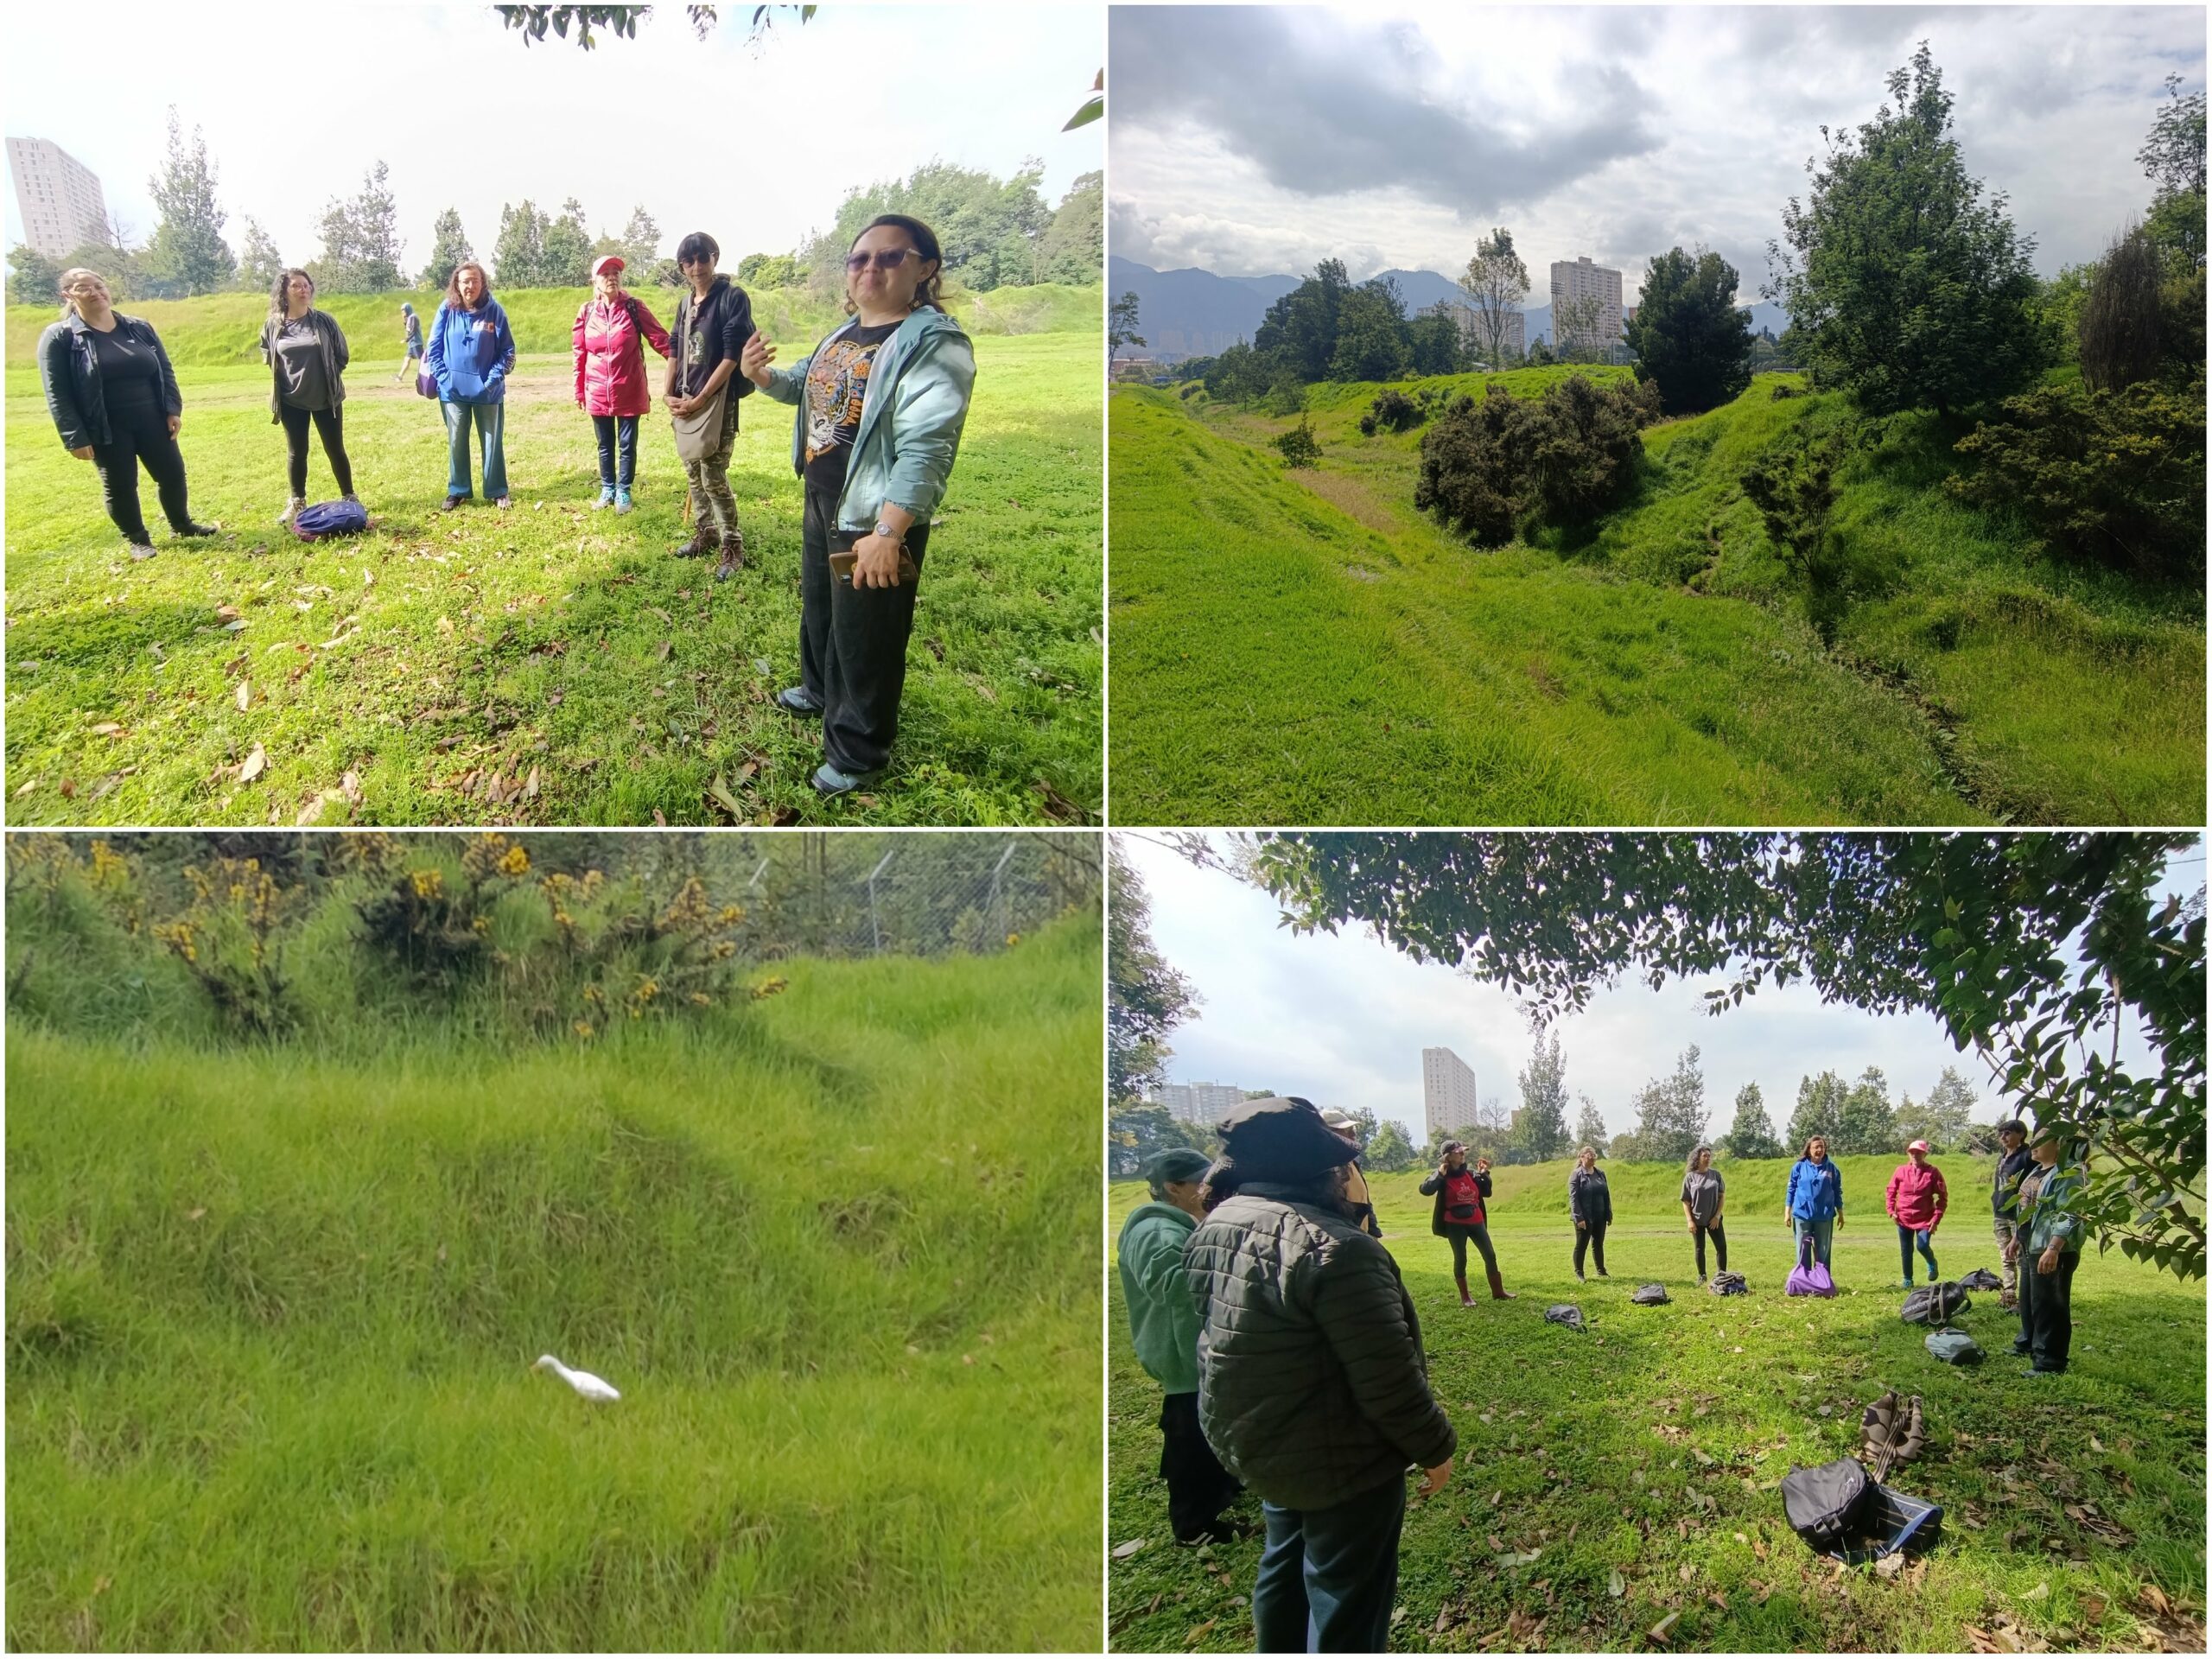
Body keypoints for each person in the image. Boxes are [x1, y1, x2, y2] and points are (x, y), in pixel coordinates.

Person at [1184, 1096, 1456, 1654]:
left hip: (1262, 1445)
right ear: (1326, 1171)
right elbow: (1387, 1377)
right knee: (1347, 1598)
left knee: (1283, 1567)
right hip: (1339, 1459)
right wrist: (1435, 1446)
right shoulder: (1339, 1250)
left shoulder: (1218, 1224)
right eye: (1346, 1166)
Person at [741, 213, 976, 797]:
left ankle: (858, 751)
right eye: (859, 259)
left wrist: (891, 533)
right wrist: (763, 376)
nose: (870, 268)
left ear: (924, 269)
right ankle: (820, 690)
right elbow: (804, 384)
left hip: (876, 515)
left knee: (867, 636)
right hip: (825, 495)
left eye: (890, 257)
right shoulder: (845, 332)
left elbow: (927, 448)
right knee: (822, 609)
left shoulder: (932, 344)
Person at [37, 268, 216, 558]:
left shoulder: (138, 327)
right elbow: (56, 392)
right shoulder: (60, 337)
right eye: (84, 288)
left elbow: (164, 370)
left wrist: (172, 409)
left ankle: (181, 525)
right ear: (68, 294)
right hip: (105, 425)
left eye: (99, 285)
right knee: (121, 485)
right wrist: (74, 436)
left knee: (172, 475)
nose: (95, 292)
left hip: (152, 418)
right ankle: (138, 539)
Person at [1117, 1147, 1243, 1545]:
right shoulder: (1156, 1231)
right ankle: (1193, 1524)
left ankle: (1224, 1491)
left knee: (1210, 1429)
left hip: (1200, 1349)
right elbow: (1171, 1286)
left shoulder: (1182, 1222)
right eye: (1201, 1180)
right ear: (1173, 1187)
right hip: (1181, 1353)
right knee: (1189, 1440)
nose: (1209, 1186)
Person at [664, 232, 756, 579]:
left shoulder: (732, 297)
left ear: (715, 257)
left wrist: (702, 398)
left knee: (713, 475)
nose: (697, 266)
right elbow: (675, 347)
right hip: (686, 398)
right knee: (692, 472)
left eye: (703, 258)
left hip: (717, 401)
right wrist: (667, 392)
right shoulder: (686, 304)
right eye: (689, 261)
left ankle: (732, 544)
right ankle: (706, 533)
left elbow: (733, 354)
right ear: (683, 267)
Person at [573, 254, 672, 515]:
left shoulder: (634, 307)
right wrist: (578, 388)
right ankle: (607, 488)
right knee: (604, 444)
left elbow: (661, 340)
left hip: (629, 387)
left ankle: (624, 490)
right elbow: (580, 353)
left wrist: (687, 363)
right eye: (605, 273)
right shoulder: (586, 312)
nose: (612, 277)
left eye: (616, 272)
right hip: (596, 390)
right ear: (594, 280)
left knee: (627, 444)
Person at [259, 269, 357, 525]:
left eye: (306, 285)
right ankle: (297, 502)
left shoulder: (324, 321)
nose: (304, 290)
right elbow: (268, 353)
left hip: (327, 398)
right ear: (284, 292)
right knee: (296, 452)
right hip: (291, 400)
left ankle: (350, 497)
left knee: (335, 448)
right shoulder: (274, 324)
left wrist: (328, 376)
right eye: (297, 286)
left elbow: (341, 354)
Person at [424, 260, 516, 510]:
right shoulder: (446, 309)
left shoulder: (494, 311)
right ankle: (459, 490)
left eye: (475, 280)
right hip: (452, 392)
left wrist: (491, 380)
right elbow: (433, 349)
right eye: (465, 281)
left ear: (482, 283)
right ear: (457, 284)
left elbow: (508, 351)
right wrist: (445, 378)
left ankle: (497, 490)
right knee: (456, 440)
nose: (470, 285)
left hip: (488, 392)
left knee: (491, 442)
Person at [2005, 1126, 2087, 1376]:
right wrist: (2017, 1237)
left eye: (2041, 1140)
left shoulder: (2069, 1173)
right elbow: (2027, 1207)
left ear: (2059, 1145)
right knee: (2031, 1298)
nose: (2034, 1144)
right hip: (2032, 1242)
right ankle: (2028, 1341)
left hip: (2053, 1247)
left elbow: (2070, 1212)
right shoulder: (2038, 1171)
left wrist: (2054, 1248)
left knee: (2050, 1303)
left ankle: (2050, 1362)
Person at [1419, 1142, 1512, 1304]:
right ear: (1448, 1156)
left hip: (1476, 1221)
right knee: (1461, 1258)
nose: (1462, 1154)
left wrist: (1485, 1173)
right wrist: (1439, 1174)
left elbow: (1487, 1192)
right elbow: (1425, 1189)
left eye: (1463, 1151)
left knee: (1490, 1255)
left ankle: (1498, 1291)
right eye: (1458, 1152)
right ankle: (1466, 1297)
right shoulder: (1443, 1175)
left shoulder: (1470, 1174)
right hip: (1454, 1224)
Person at [1885, 1139, 1949, 1288]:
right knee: (1906, 1250)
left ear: (1925, 1154)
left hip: (1925, 1218)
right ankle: (1908, 1279)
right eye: (1912, 1152)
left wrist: (1936, 1218)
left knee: (1922, 1245)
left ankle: (1932, 1262)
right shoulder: (1900, 1171)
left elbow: (1943, 1197)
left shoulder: (1933, 1172)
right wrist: (1890, 1210)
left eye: (1919, 1152)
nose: (1915, 1155)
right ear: (1908, 1153)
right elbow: (1891, 1191)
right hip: (1903, 1217)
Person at [1990, 1118, 2034, 1310]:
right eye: (2001, 1133)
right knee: (2005, 1254)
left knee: (2021, 1256)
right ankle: (2009, 1295)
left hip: (2019, 1213)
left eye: (2008, 1132)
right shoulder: (2002, 1158)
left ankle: (2027, 1297)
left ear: (2021, 1134)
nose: (2003, 1137)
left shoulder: (2027, 1156)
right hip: (2000, 1213)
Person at [1319, 1108, 1382, 1239]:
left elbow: (1364, 1201)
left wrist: (1373, 1230)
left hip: (1360, 1237)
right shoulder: (1323, 1167)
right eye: (1347, 1131)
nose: (1353, 1135)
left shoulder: (1352, 1162)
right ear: (1329, 1133)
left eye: (1353, 1130)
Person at [1785, 1135, 1846, 1270]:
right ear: (1809, 1149)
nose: (1820, 1150)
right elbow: (1791, 1189)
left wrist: (1841, 1213)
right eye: (1816, 1147)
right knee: (1802, 1250)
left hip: (1824, 1216)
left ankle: (1822, 1282)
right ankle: (1804, 1281)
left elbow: (1837, 1192)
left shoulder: (1832, 1169)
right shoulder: (1799, 1167)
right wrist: (1787, 1213)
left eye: (1822, 1147)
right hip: (1802, 1215)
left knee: (1823, 1252)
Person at [1681, 1143, 1726, 1282]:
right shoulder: (1690, 1177)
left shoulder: (1716, 1175)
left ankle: (1722, 1275)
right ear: (1698, 1158)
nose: (1707, 1158)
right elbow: (1686, 1201)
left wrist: (1717, 1216)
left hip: (1714, 1219)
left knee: (1721, 1247)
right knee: (1700, 1248)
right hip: (1697, 1220)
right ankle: (1702, 1275)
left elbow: (1722, 1196)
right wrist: (1690, 1220)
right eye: (1704, 1155)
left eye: (1709, 1156)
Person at [1568, 1146, 1612, 1281]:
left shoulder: (1600, 1174)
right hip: (1585, 1217)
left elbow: (1606, 1195)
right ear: (1581, 1157)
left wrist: (1608, 1213)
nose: (1593, 1157)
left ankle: (1601, 1270)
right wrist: (1578, 1217)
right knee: (1581, 1245)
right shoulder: (1576, 1174)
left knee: (1598, 1244)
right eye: (1589, 1155)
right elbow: (1573, 1198)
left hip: (1600, 1216)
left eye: (1594, 1155)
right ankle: (1579, 1273)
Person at [394, 300, 423, 382]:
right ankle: (400, 377)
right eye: (402, 311)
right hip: (412, 344)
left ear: (408, 309)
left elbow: (413, 330)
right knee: (407, 360)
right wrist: (405, 321)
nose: (403, 312)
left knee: (422, 361)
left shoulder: (413, 317)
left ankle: (424, 377)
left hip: (416, 343)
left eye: (404, 310)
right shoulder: (409, 319)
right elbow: (408, 329)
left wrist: (406, 339)